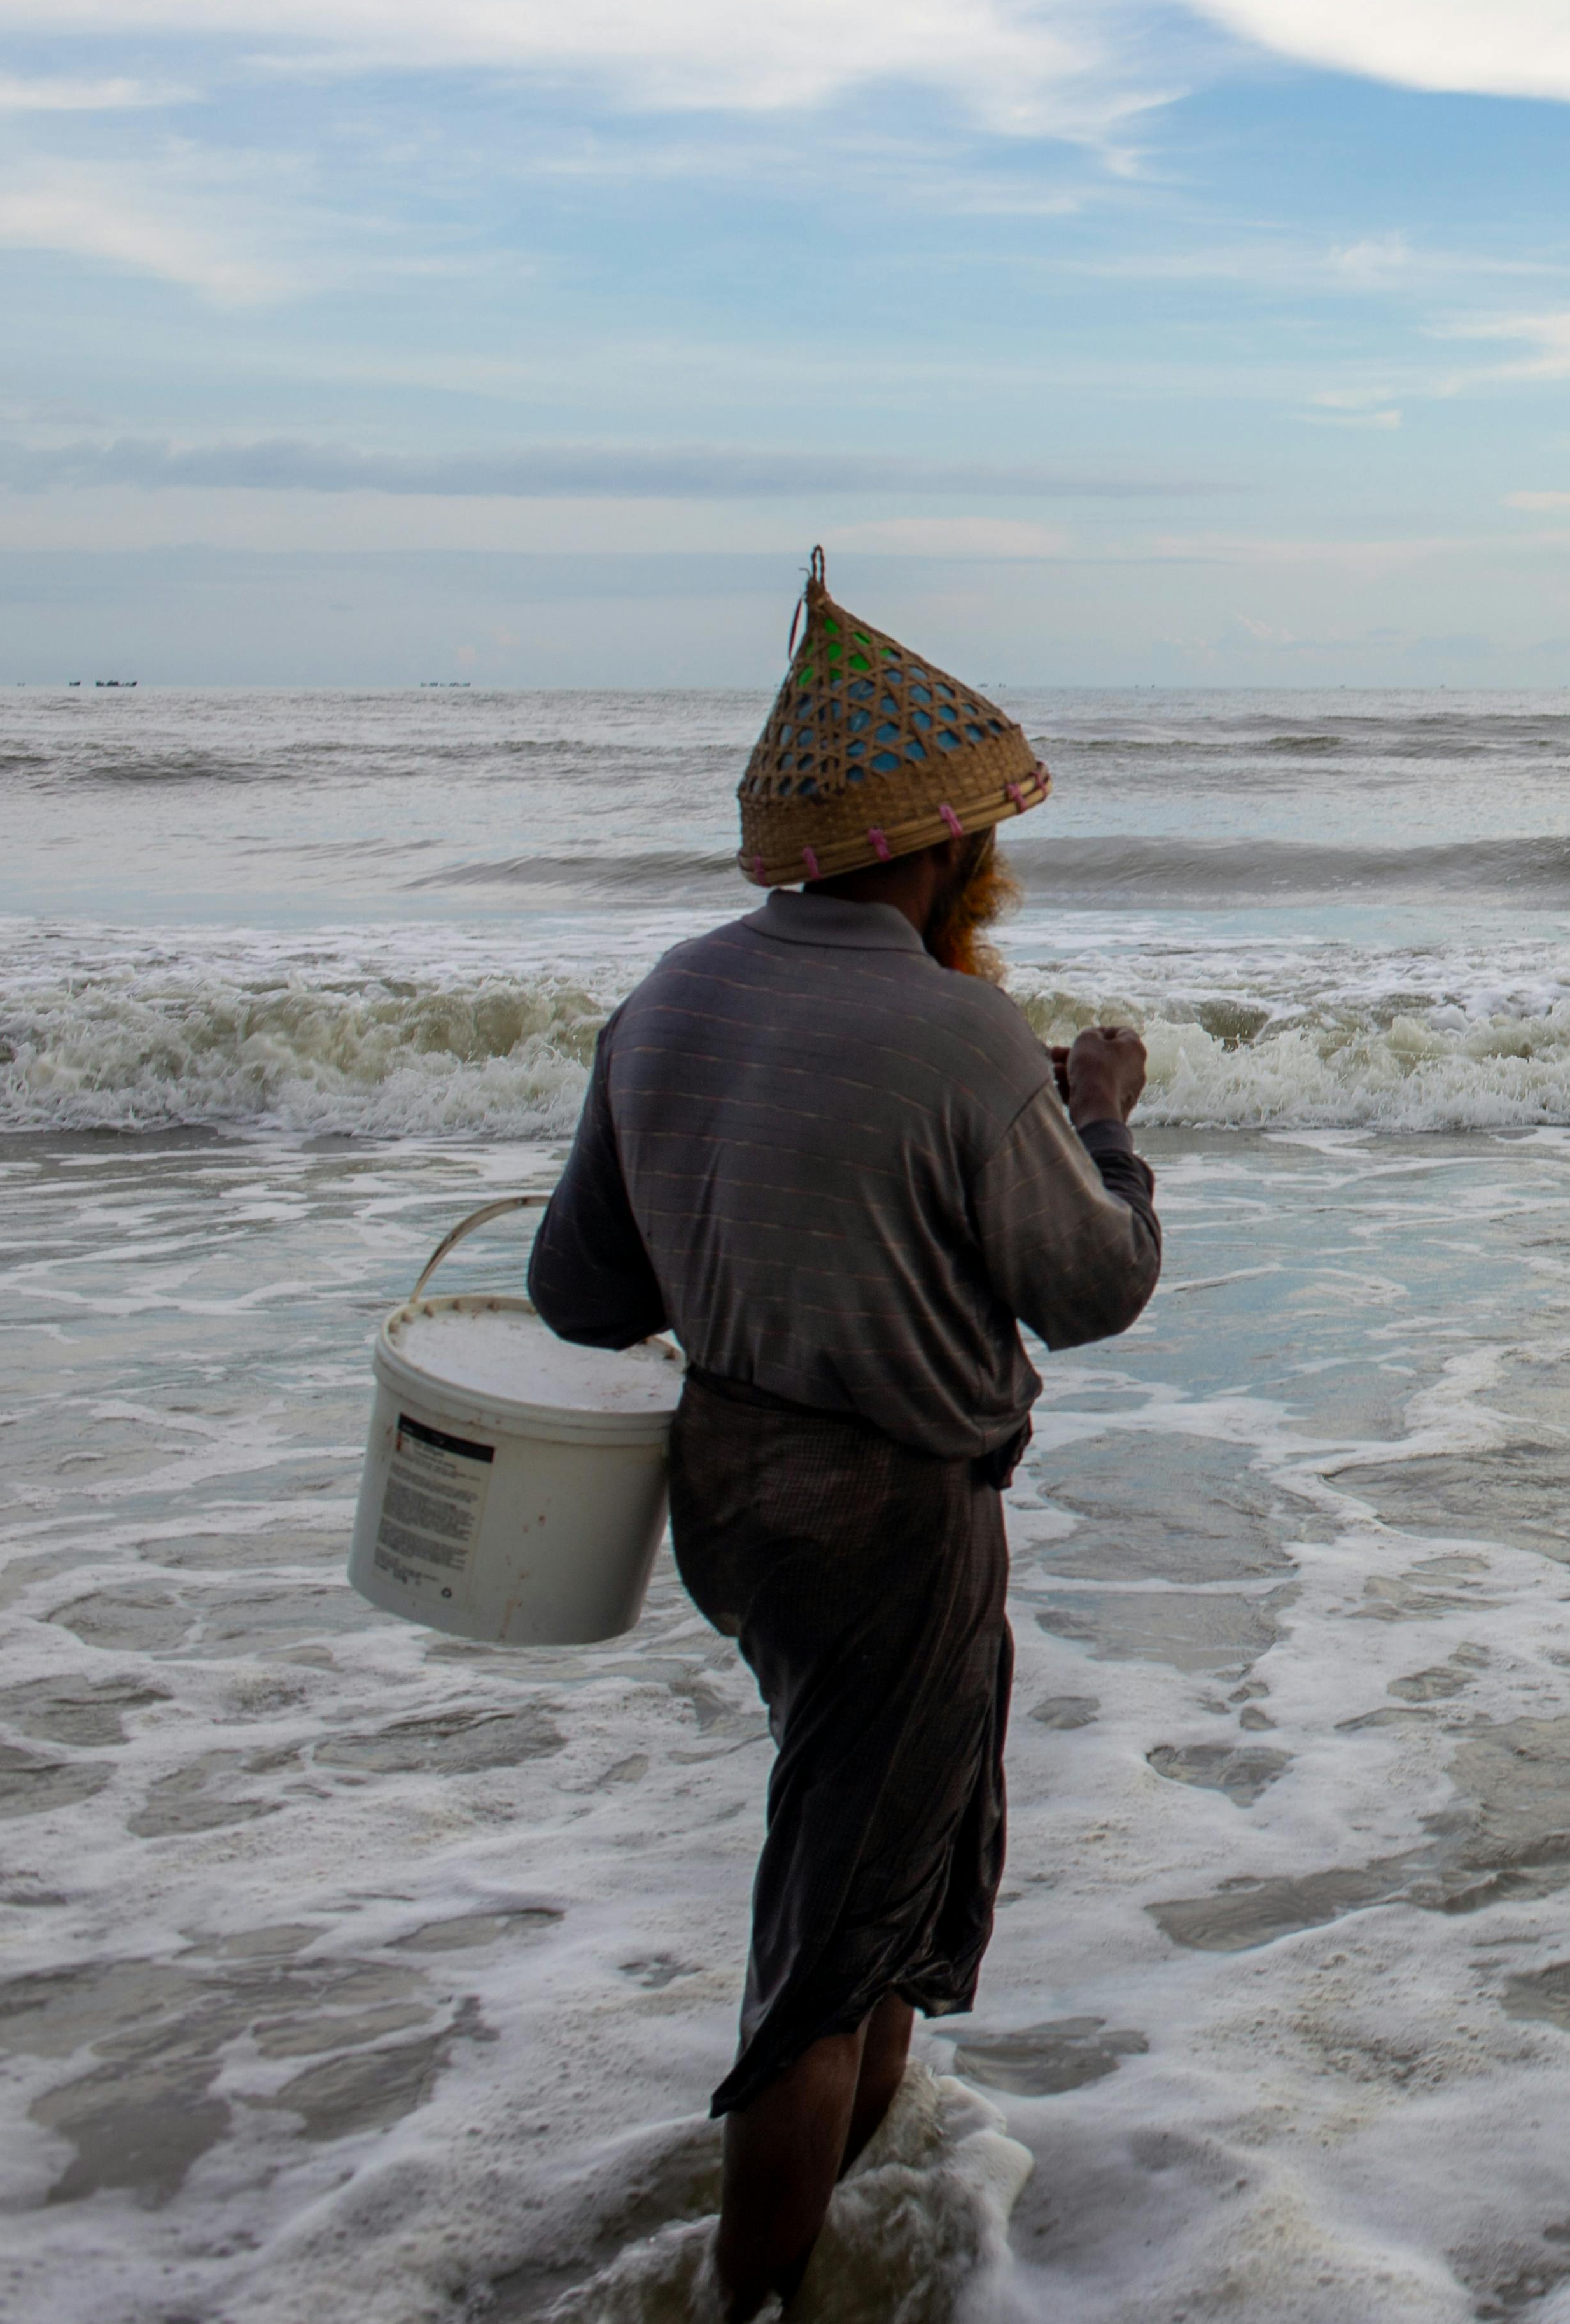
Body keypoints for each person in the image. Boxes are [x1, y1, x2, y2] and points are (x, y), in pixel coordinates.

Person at [527, 553, 1161, 2320]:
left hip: (728, 1505)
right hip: (893, 1519)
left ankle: (852, 2228)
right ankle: (755, 2291)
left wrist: (767, 1224)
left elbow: (579, 1293)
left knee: (868, 1860)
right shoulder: (965, 1035)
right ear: (949, 848)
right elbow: (1091, 1287)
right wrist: (1100, 1125)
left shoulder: (665, 1000)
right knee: (822, 1943)